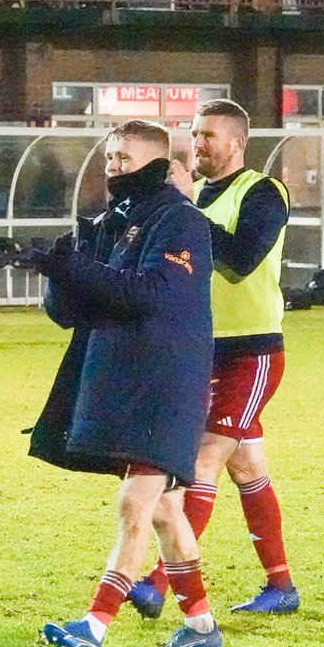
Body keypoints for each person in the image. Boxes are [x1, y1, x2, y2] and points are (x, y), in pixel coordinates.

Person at [31, 120, 221, 647]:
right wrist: (59, 275)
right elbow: (70, 313)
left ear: (158, 164)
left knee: (135, 503)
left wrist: (79, 269)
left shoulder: (181, 221)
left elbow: (152, 295)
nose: (114, 167)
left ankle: (93, 626)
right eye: (110, 158)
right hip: (123, 379)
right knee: (165, 512)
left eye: (125, 159)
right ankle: (202, 628)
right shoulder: (113, 222)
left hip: (166, 381)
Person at [126, 99, 300, 618]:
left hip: (253, 350)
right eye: (194, 133)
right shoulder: (196, 196)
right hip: (204, 349)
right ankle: (281, 586)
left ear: (237, 143)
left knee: (203, 461)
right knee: (247, 468)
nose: (197, 143)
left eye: (208, 135)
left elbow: (241, 259)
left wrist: (187, 208)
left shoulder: (264, 192)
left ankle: (159, 583)